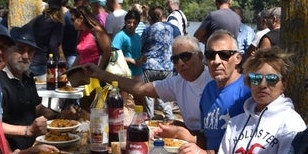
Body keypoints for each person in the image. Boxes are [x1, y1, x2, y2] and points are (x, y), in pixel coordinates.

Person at [82, 35, 212, 134]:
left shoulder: (213, 81)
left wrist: (184, 132)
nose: (180, 63)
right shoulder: (178, 82)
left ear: (200, 57)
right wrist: (100, 73)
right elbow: (141, 88)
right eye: (175, 59)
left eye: (185, 57)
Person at [180, 30, 251, 154]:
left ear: (238, 58)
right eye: (210, 55)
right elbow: (207, 137)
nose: (216, 61)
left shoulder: (248, 92)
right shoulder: (208, 90)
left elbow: (250, 150)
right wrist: (182, 134)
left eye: (224, 55)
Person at [0, 27, 63, 150]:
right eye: (20, 49)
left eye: (30, 51)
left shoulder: (28, 75)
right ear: (7, 50)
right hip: (13, 152)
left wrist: (61, 115)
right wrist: (28, 130)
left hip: (35, 144)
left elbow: (35, 109)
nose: (26, 56)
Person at [141, 6, 180, 121]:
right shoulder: (171, 28)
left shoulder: (148, 29)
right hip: (167, 66)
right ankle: (169, 116)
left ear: (149, 17)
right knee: (164, 93)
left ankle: (150, 116)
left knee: (148, 94)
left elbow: (140, 45)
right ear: (162, 16)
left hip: (150, 66)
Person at [24, 0, 65, 76]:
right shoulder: (57, 23)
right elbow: (53, 45)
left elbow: (23, 31)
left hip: (30, 61)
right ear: (60, 8)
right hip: (43, 64)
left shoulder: (38, 19)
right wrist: (57, 62)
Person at [111, 9, 144, 106]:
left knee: (140, 100)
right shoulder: (120, 36)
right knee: (122, 101)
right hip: (124, 73)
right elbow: (114, 54)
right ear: (125, 22)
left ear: (138, 24)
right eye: (129, 22)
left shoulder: (138, 36)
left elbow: (140, 52)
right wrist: (131, 60)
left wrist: (142, 58)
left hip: (138, 73)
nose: (131, 25)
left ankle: (140, 119)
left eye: (134, 23)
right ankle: (121, 119)